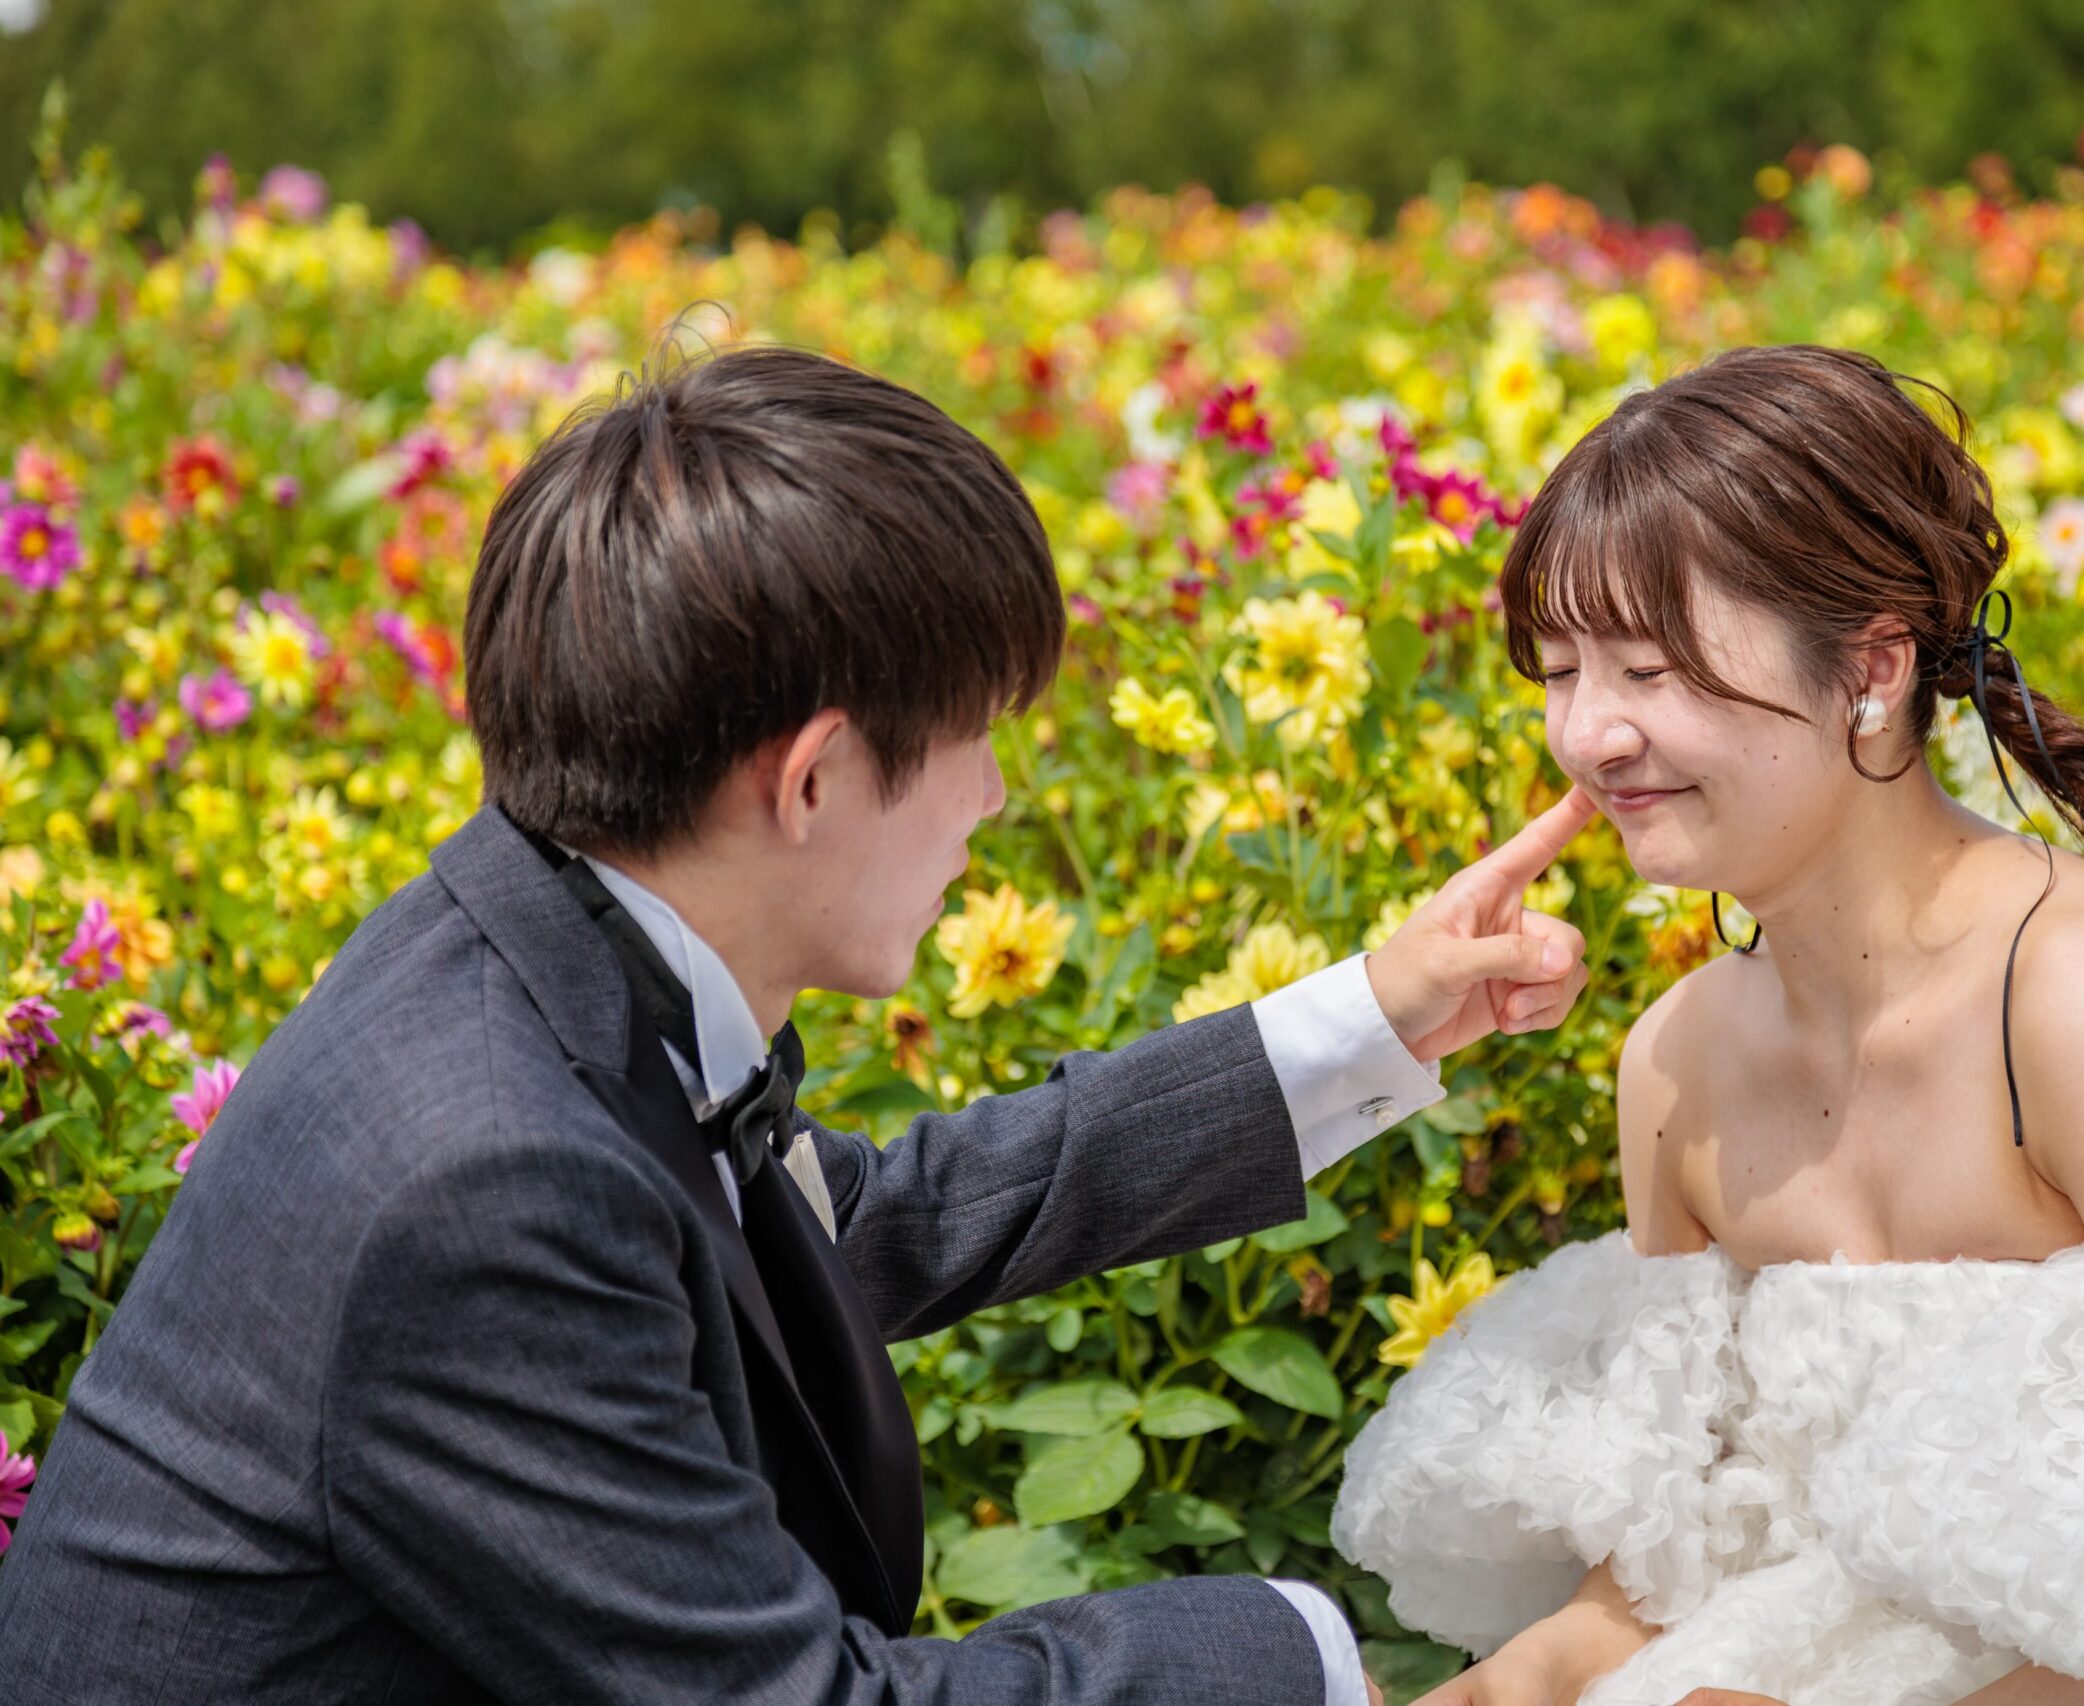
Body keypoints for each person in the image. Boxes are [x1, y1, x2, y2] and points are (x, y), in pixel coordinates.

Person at [0, 344, 1601, 1706]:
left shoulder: (537, 944)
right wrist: (1311, 1647)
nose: (994, 796)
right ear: (815, 775)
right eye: (976, 737)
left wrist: (1375, 1018)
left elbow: (855, 1224)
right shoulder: (480, 1174)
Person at [1329, 345, 2084, 1706]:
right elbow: (1666, 1573)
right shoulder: (1676, 1062)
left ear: (1870, 666)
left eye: (1651, 667)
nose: (1592, 735)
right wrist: (1504, 1687)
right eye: (1563, 670)